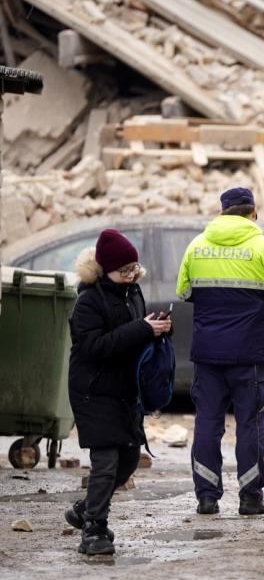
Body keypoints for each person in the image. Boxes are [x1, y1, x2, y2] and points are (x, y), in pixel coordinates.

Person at [176, 188, 264, 515]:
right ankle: (250, 497)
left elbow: (183, 291)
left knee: (207, 424)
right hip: (250, 355)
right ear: (253, 213)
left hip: (208, 355)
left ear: (222, 212)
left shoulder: (196, 246)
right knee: (250, 425)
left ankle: (206, 497)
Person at [65, 229, 172, 555]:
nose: (130, 276)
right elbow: (94, 346)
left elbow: (133, 337)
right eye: (123, 271)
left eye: (133, 269)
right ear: (104, 270)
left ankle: (84, 510)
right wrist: (141, 328)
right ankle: (94, 530)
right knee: (107, 460)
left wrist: (157, 328)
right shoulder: (88, 301)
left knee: (127, 460)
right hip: (93, 391)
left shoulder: (132, 293)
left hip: (126, 391)